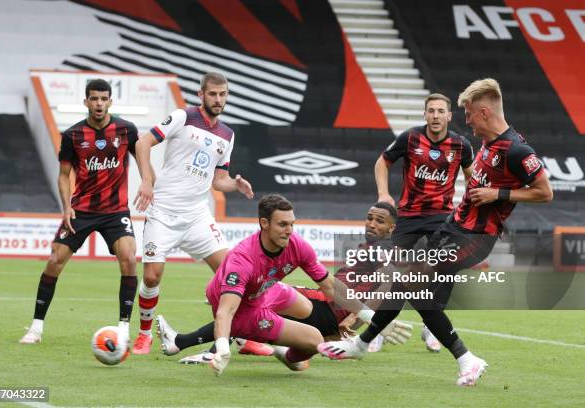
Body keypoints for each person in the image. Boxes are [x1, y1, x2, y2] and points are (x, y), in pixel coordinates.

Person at [318, 78, 553, 387]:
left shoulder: (517, 149)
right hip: (452, 228)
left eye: (468, 114)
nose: (466, 121)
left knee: (410, 283)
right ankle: (369, 346)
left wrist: (499, 195)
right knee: (409, 287)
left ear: (484, 112)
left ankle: (456, 357)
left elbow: (544, 192)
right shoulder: (488, 144)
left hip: (472, 239)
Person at [171, 202, 414, 365]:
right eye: (369, 218)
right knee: (293, 343)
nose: (371, 224)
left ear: (391, 228)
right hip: (331, 314)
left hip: (324, 305)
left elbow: (387, 283)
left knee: (249, 305)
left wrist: (358, 318)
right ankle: (266, 347)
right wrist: (361, 318)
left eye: (379, 221)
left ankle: (209, 347)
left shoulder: (384, 252)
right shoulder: (372, 249)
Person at [131, 72, 255, 355]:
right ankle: (144, 334)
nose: (218, 99)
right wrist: (147, 181)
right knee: (151, 277)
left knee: (233, 274)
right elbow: (142, 143)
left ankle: (245, 339)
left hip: (197, 215)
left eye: (223, 94)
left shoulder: (227, 134)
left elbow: (218, 180)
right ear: (201, 95)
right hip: (163, 211)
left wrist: (234, 185)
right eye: (213, 94)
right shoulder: (182, 117)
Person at [156, 194, 335, 376]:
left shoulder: (295, 244)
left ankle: (181, 341)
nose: (290, 230)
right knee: (314, 340)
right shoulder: (243, 258)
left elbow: (330, 286)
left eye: (292, 224)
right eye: (283, 224)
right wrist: (223, 349)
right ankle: (283, 354)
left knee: (305, 307)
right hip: (245, 306)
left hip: (263, 290)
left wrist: (364, 321)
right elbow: (225, 311)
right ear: (264, 223)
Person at [20, 79, 141, 344]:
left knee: (130, 259)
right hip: (81, 211)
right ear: (85, 101)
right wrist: (66, 208)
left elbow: (142, 156)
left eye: (103, 98)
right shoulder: (72, 135)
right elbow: (64, 175)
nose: (99, 103)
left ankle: (124, 328)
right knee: (54, 262)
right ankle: (36, 328)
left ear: (110, 101)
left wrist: (149, 185)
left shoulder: (127, 130)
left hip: (115, 210)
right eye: (94, 99)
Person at [375, 93, 473, 352]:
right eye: (431, 111)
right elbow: (382, 162)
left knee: (449, 265)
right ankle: (378, 328)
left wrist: (470, 207)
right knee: (393, 269)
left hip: (441, 216)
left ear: (449, 116)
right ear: (425, 114)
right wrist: (384, 194)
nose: (436, 115)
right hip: (408, 215)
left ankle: (432, 325)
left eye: (441, 111)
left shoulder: (461, 145)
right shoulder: (410, 138)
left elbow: (472, 178)